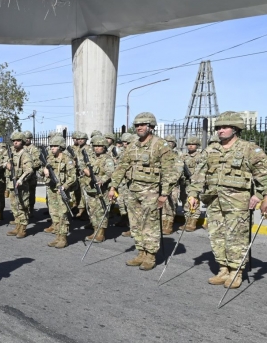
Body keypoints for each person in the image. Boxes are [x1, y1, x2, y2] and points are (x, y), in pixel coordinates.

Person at [188, 111, 267, 288]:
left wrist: (261, 196)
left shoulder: (249, 149)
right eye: (218, 128)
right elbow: (199, 174)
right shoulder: (211, 150)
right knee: (217, 235)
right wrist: (193, 194)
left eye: (224, 127)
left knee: (236, 237)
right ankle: (223, 268)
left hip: (238, 201)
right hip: (214, 200)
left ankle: (236, 272)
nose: (220, 131)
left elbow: (263, 176)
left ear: (235, 129)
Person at [108, 112, 179, 271]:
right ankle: (141, 251)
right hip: (133, 190)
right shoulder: (132, 145)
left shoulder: (161, 145)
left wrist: (164, 194)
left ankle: (151, 255)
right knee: (135, 223)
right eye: (137, 125)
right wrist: (113, 187)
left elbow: (170, 171)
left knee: (150, 224)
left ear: (151, 127)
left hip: (152, 191)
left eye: (142, 125)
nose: (139, 128)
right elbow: (122, 167)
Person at [42, 134, 76, 248]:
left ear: (61, 146)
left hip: (61, 190)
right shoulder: (49, 158)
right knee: (54, 213)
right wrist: (45, 171)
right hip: (52, 189)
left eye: (54, 146)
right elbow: (43, 171)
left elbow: (73, 177)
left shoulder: (67, 159)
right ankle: (57, 236)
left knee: (62, 214)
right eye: (51, 146)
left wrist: (65, 186)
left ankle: (63, 238)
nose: (52, 148)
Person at [81, 136, 115, 243]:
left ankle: (101, 233)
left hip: (102, 189)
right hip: (91, 189)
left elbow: (110, 172)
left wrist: (102, 180)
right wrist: (84, 171)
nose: (97, 148)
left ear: (104, 147)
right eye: (95, 146)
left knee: (101, 211)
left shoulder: (107, 159)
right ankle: (95, 230)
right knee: (92, 211)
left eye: (100, 146)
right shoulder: (90, 158)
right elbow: (83, 167)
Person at [6, 131, 33, 238]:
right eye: (14, 141)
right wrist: (6, 164)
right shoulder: (12, 153)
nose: (15, 143)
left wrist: (21, 179)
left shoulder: (25, 154)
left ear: (22, 142)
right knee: (14, 207)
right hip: (12, 184)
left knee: (22, 207)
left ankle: (23, 228)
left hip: (21, 185)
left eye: (18, 141)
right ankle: (17, 226)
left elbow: (29, 170)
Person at [179, 136, 203, 232]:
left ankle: (193, 222)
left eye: (193, 144)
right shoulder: (183, 156)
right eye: (189, 144)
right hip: (185, 182)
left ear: (197, 145)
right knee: (185, 201)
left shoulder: (200, 157)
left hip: (195, 183)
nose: (190, 146)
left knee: (194, 201)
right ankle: (187, 221)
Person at [22, 131, 42, 218]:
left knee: (31, 193)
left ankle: (30, 210)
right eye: (25, 138)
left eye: (28, 138)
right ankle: (23, 212)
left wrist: (29, 166)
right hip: (22, 175)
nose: (27, 140)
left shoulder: (34, 149)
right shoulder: (21, 148)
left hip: (31, 176)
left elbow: (38, 162)